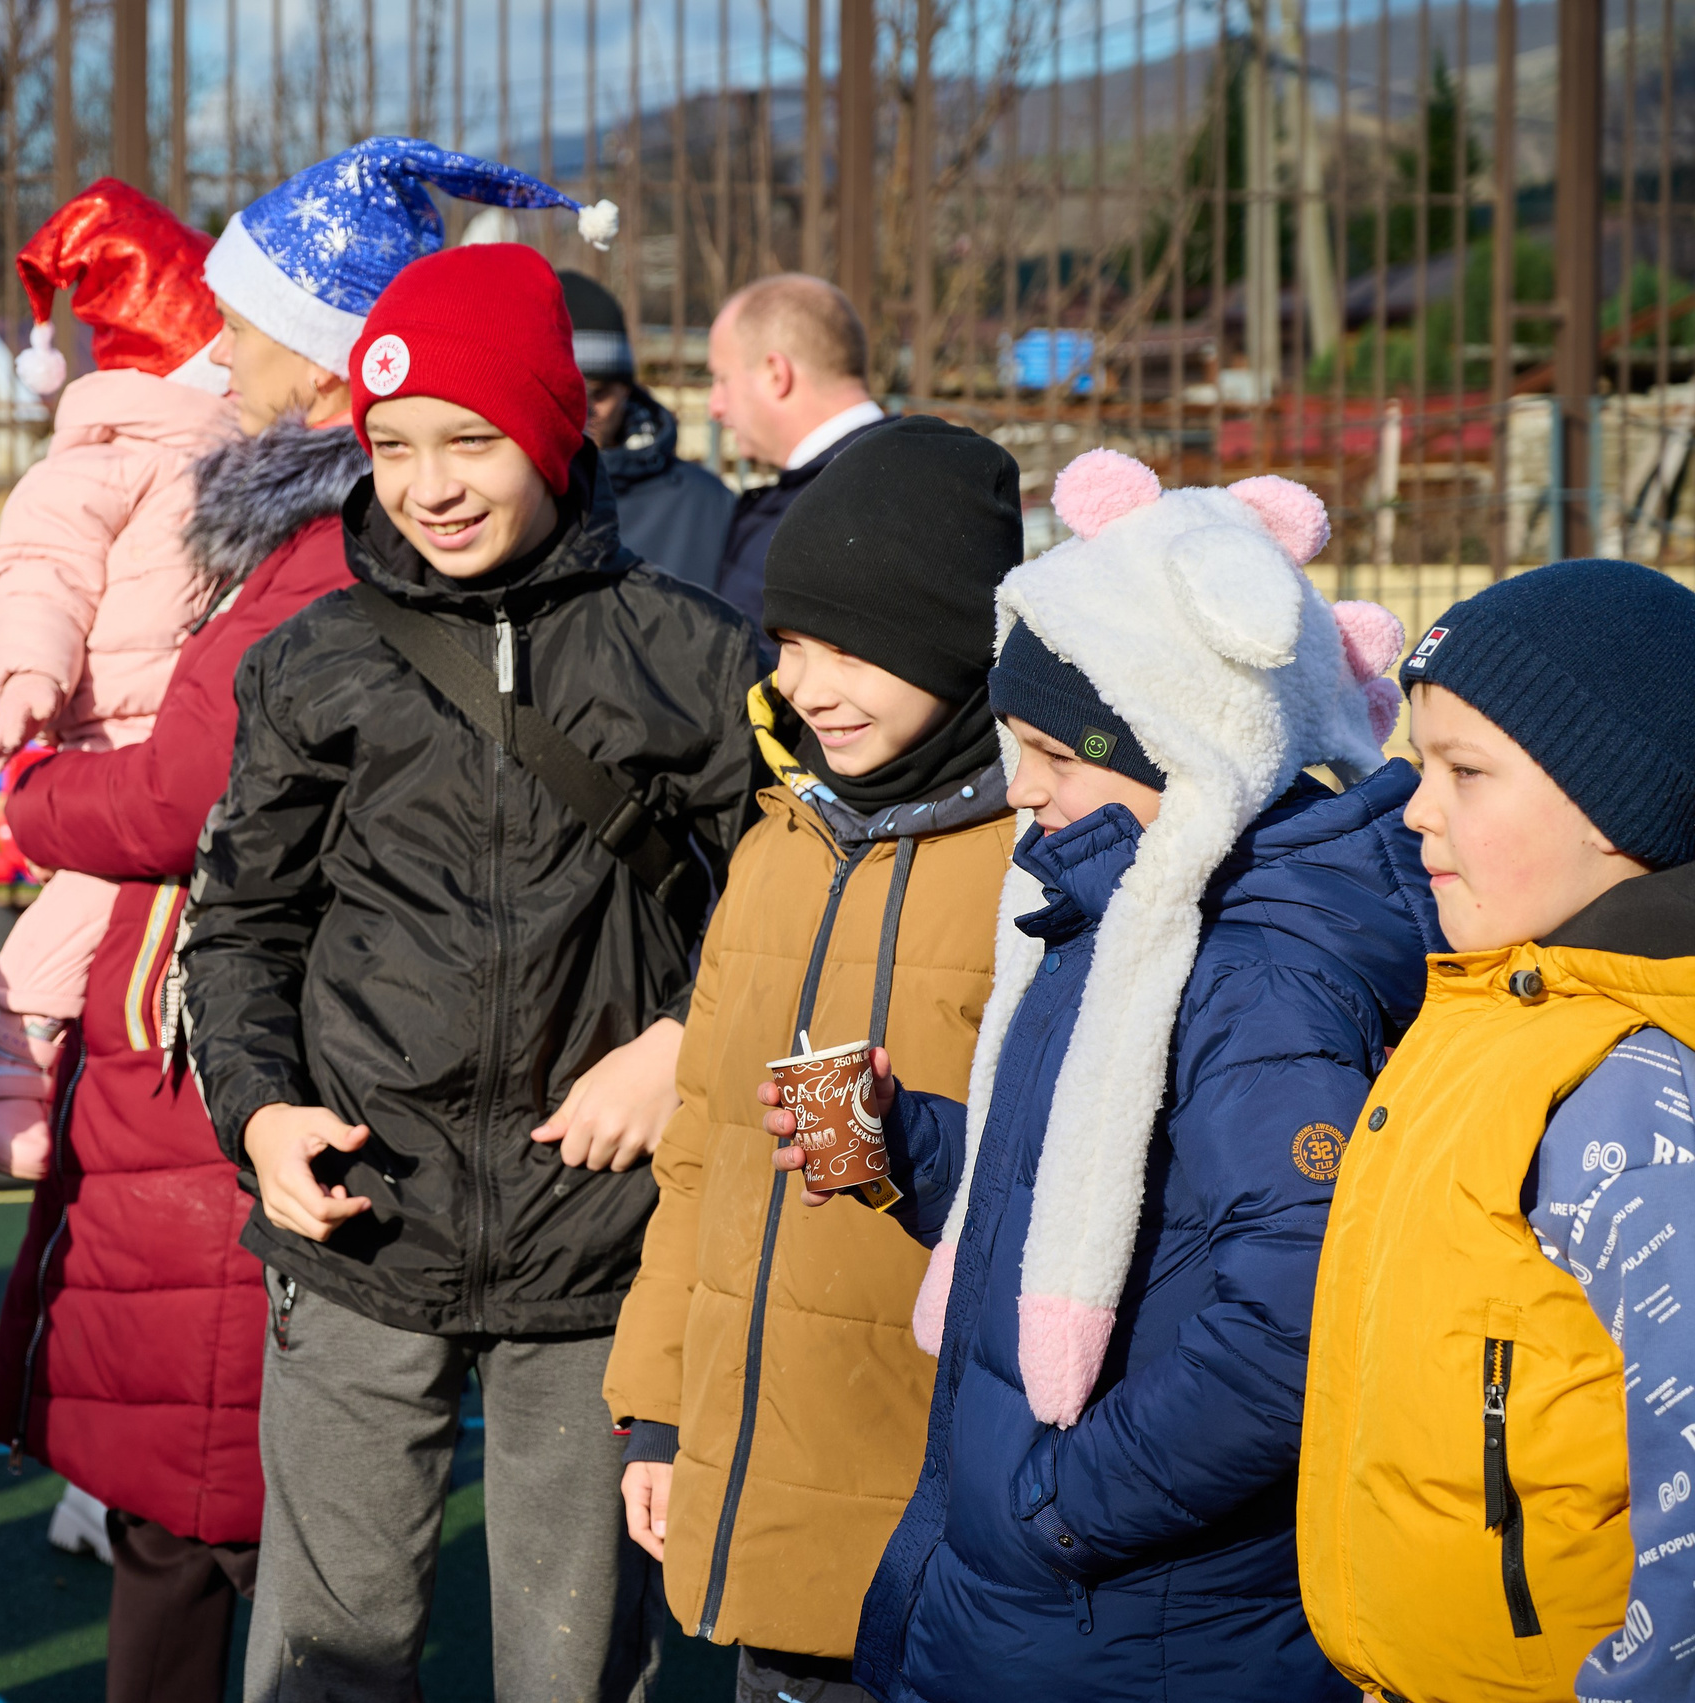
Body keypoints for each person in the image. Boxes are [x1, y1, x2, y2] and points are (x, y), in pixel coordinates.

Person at [0, 139, 612, 1703]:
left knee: (237, 1512)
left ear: (327, 362)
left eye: (248, 327)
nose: (219, 351)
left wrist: (34, 795)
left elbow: (188, 789)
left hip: (243, 1062)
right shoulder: (293, 539)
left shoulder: (316, 559)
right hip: (231, 1044)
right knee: (205, 1515)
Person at [181, 239, 759, 1703]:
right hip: (362, 1231)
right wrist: (260, 1114)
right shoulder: (312, 662)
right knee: (323, 1665)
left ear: (555, 433)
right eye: (392, 446)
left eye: (470, 440)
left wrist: (684, 1042)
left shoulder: (695, 655)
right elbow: (240, 925)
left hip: (603, 1243)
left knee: (574, 1673)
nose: (428, 485)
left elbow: (791, 903)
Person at [772, 450, 1438, 1701]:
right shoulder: (1118, 911)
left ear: (1186, 748)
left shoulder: (1251, 974)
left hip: (1137, 1616)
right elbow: (1104, 1202)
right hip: (1044, 1600)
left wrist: (1065, 1507)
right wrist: (912, 1146)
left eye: (1050, 751)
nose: (1020, 786)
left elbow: (1296, 1311)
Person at [602, 417, 1024, 1703]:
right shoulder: (778, 841)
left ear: (953, 642)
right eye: (788, 642)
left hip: (950, 1507)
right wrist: (662, 1408)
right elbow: (701, 1147)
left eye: (851, 647)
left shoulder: (1036, 862)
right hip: (765, 1487)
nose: (805, 683)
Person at [1297, 559, 1695, 1703]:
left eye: (1463, 770)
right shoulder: (1483, 1011)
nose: (1415, 806)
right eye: (1421, 763)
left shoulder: (1626, 1089)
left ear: (1614, 813)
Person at [0, 178, 235, 1185]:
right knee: (91, 902)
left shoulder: (241, 460)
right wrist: (31, 675)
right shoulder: (102, 461)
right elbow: (42, 572)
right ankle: (6, 1051)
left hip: (195, 723)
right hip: (117, 727)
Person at [706, 274, 887, 629]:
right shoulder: (914, 480)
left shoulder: (830, 512)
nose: (715, 407)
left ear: (776, 374)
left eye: (722, 379)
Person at [561, 268, 734, 588]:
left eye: (598, 393)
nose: (583, 413)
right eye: (564, 395)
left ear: (626, 390)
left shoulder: (705, 507)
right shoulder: (494, 501)